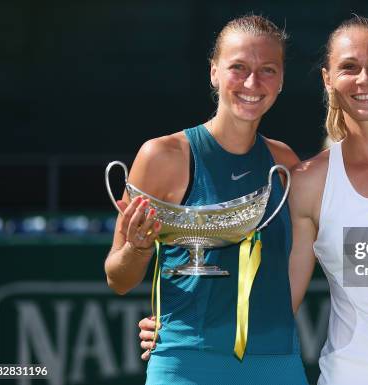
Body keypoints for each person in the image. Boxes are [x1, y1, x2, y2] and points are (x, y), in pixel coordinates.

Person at [139, 15, 368, 385]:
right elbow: (276, 302)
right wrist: (177, 326)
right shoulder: (308, 181)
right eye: (349, 67)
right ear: (327, 79)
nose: (364, 79)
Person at [104, 15, 308, 385]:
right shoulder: (161, 156)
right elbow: (117, 278)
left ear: (280, 80)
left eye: (267, 70)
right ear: (214, 72)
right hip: (186, 364)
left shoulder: (287, 164)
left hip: (277, 364)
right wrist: (137, 248)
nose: (252, 82)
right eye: (238, 68)